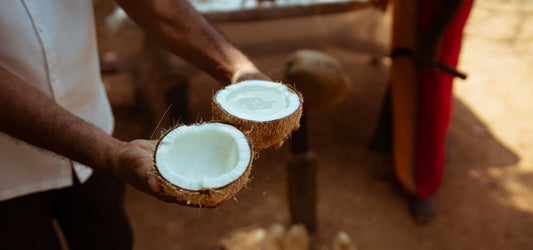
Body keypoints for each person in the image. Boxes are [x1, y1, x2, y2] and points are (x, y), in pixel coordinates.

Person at [0, 0, 271, 249]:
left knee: (111, 239)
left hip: (93, 124)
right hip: (8, 173)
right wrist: (107, 152)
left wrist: (235, 67)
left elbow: (153, 5)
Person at [369, 0, 474, 223]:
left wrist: (433, 36)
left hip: (436, 15)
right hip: (414, 9)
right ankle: (400, 152)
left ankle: (425, 183)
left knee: (430, 93)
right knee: (405, 71)